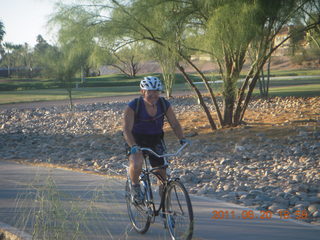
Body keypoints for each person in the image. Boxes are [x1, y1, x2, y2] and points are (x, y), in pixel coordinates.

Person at [123, 76, 188, 204]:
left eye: (156, 91)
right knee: (137, 163)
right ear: (142, 92)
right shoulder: (133, 106)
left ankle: (165, 206)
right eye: (149, 92)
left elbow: (174, 123)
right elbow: (126, 130)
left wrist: (182, 139)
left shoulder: (164, 104)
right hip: (136, 139)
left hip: (155, 139)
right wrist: (133, 146)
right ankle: (135, 187)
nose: (153, 95)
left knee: (162, 173)